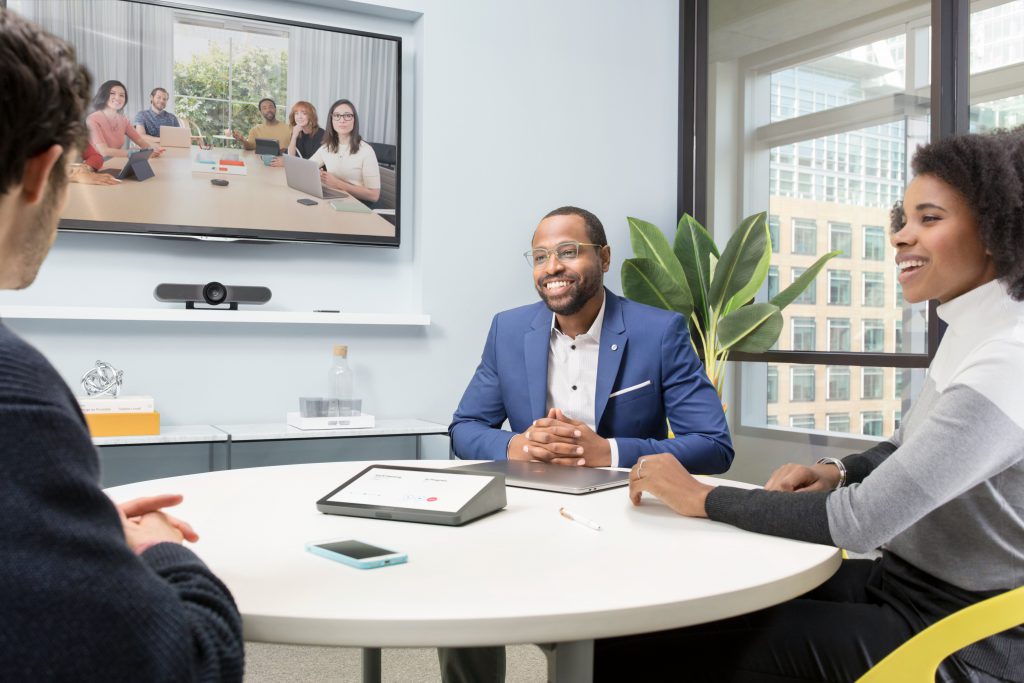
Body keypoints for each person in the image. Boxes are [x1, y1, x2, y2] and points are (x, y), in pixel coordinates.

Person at [599, 130, 1024, 683]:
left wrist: (700, 495)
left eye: (930, 218)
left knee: (643, 651)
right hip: (902, 584)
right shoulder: (972, 329)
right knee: (677, 612)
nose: (900, 236)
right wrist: (835, 470)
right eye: (904, 218)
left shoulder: (1008, 358)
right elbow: (902, 447)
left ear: (997, 229)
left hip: (956, 634)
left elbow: (861, 521)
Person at [0, 9, 244, 681]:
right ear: (42, 168)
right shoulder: (18, 396)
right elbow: (186, 664)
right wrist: (166, 553)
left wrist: (60, 522)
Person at [441, 206, 733, 683]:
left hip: (621, 514)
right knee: (462, 594)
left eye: (568, 252)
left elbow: (714, 445)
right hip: (525, 508)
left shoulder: (659, 332)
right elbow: (465, 428)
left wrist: (609, 453)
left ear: (605, 257)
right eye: (540, 256)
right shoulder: (509, 330)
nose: (551, 267)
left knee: (591, 638)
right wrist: (520, 446)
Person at [309, 99, 381, 204]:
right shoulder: (326, 147)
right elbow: (308, 167)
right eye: (337, 116)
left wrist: (337, 183)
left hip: (359, 203)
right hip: (337, 199)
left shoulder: (366, 151)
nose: (342, 120)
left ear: (354, 120)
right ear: (331, 120)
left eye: (347, 116)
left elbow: (374, 195)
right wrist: (317, 175)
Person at [86, 79, 163, 159]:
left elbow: (140, 141)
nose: (118, 98)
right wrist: (137, 152)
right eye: (112, 93)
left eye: (122, 95)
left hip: (115, 162)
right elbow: (104, 151)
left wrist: (152, 149)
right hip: (95, 166)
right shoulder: (92, 119)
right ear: (103, 95)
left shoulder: (123, 120)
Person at [270, 100, 325, 167]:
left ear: (311, 116)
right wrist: (294, 136)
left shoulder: (322, 135)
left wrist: (288, 163)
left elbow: (312, 163)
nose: (299, 117)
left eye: (304, 113)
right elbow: (290, 156)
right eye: (296, 113)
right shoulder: (297, 132)